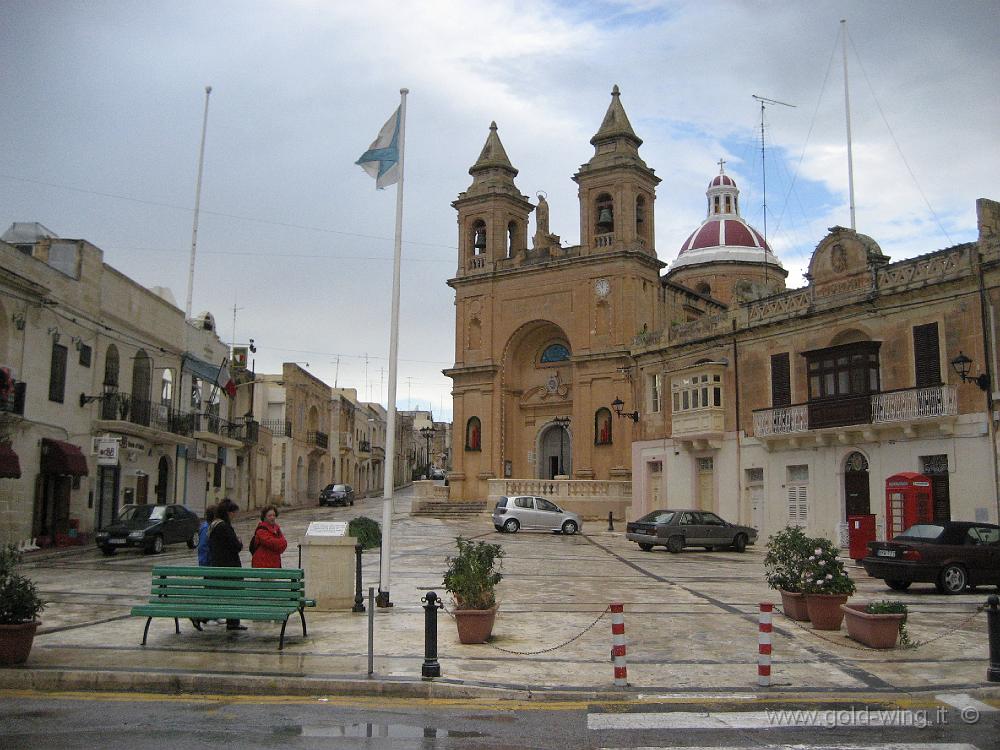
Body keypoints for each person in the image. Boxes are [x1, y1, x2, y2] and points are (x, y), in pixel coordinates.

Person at [208, 498, 246, 631]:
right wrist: (239, 542)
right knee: (233, 595)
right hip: (230, 566)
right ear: (228, 513)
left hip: (218, 565)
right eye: (233, 512)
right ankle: (233, 622)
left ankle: (233, 621)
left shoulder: (214, 525)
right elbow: (235, 546)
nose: (234, 515)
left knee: (226, 595)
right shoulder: (224, 527)